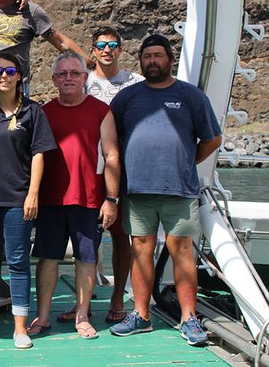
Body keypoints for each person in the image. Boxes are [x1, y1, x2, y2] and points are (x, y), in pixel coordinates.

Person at [108, 34, 222, 346]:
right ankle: (141, 315)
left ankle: (190, 318)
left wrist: (186, 161)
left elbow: (212, 139)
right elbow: (110, 140)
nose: (152, 61)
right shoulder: (127, 98)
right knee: (140, 251)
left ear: (169, 60)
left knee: (182, 252)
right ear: (141, 61)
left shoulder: (190, 96)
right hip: (137, 191)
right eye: (147, 56)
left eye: (158, 56)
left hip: (178, 190)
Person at [28, 50, 120, 341]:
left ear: (85, 78)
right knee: (47, 258)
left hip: (89, 199)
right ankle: (43, 316)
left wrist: (112, 198)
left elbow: (112, 155)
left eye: (75, 73)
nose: (69, 78)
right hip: (51, 199)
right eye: (63, 74)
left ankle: (82, 315)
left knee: (87, 259)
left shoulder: (101, 111)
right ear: (55, 79)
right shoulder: (44, 112)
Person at [55, 27, 144, 325]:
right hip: (90, 171)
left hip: (125, 167)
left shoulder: (136, 83)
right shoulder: (82, 79)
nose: (107, 50)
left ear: (121, 49)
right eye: (101, 45)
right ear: (92, 51)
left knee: (120, 235)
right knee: (87, 240)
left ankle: (118, 296)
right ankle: (84, 304)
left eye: (113, 45)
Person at [0, 53, 56, 349]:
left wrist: (33, 192)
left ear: (20, 75)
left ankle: (20, 325)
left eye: (10, 70)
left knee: (19, 261)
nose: (4, 75)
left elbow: (39, 153)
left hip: (18, 199)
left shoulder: (33, 112)